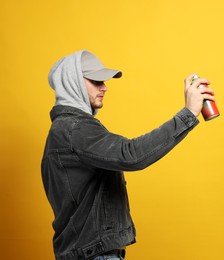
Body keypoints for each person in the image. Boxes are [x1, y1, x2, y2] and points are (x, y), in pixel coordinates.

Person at [41, 50, 215, 260]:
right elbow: (131, 154)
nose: (104, 87)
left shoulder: (66, 130)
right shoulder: (74, 128)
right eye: (96, 81)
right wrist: (187, 114)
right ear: (73, 83)